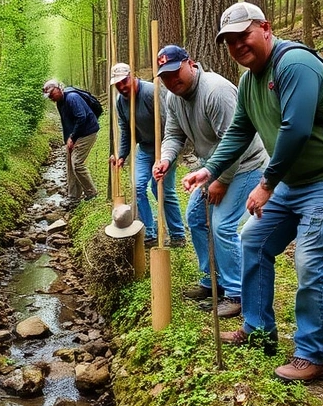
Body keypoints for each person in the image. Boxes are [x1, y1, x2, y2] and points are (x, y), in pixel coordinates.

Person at [182, 2, 323, 383]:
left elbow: (296, 128)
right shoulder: (251, 82)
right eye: (230, 41)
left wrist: (266, 185)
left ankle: (314, 355)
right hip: (297, 182)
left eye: (244, 36)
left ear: (265, 28)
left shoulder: (294, 65)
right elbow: (238, 132)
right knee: (253, 240)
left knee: (310, 259)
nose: (238, 46)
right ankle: (258, 330)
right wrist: (209, 169)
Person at [151, 45, 267, 317]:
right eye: (165, 77)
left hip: (245, 165)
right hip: (212, 169)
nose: (171, 80)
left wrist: (222, 181)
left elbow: (236, 140)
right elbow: (173, 135)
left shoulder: (216, 91)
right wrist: (166, 159)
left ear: (190, 63)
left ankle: (238, 293)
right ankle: (213, 280)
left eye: (175, 72)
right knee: (196, 218)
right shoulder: (173, 97)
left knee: (222, 225)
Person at [109, 62, 186, 246]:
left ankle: (177, 234)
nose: (121, 87)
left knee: (161, 190)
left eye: (124, 82)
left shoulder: (151, 92)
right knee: (138, 188)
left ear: (132, 76)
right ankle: (150, 233)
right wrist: (122, 154)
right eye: (117, 84)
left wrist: (166, 154)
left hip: (164, 147)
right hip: (144, 148)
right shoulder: (121, 102)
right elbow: (126, 130)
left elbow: (170, 123)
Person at [43, 79, 99, 206]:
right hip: (76, 134)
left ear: (58, 88)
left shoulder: (72, 98)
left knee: (77, 163)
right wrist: (67, 141)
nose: (51, 98)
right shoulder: (60, 103)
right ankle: (74, 196)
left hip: (87, 132)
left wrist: (72, 137)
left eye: (52, 94)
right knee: (69, 163)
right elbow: (66, 123)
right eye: (49, 97)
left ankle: (91, 192)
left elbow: (81, 117)